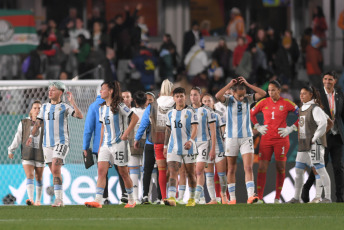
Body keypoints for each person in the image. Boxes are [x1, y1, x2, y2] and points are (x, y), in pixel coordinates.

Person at [26, 81, 83, 207]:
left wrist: (72, 102)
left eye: (53, 90)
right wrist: (31, 136)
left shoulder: (64, 107)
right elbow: (38, 123)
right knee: (54, 172)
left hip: (61, 143)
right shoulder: (45, 107)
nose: (50, 92)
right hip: (47, 145)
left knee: (56, 169)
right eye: (49, 89)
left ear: (60, 93)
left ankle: (58, 200)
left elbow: (80, 116)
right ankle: (60, 199)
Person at [85, 81, 139, 208]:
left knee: (123, 172)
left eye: (103, 89)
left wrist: (126, 134)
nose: (100, 91)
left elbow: (135, 118)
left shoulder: (120, 105)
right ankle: (98, 201)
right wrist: (99, 147)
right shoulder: (101, 108)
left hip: (119, 144)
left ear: (110, 91)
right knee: (101, 171)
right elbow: (103, 127)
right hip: (105, 145)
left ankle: (131, 200)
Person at [215, 76, 266, 204]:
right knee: (231, 168)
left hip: (246, 137)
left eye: (244, 95)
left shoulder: (248, 99)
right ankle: (232, 198)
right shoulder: (228, 100)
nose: (242, 97)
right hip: (231, 138)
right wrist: (229, 84)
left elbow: (263, 93)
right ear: (233, 93)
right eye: (240, 95)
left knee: (248, 167)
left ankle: (250, 196)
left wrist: (248, 84)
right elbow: (217, 95)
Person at [250, 80, 299, 203]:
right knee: (261, 168)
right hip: (266, 139)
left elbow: (301, 114)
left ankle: (277, 198)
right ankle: (260, 198)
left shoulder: (287, 103)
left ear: (279, 90)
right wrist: (257, 126)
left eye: (273, 90)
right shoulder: (263, 102)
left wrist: (291, 128)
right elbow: (251, 113)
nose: (270, 93)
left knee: (280, 168)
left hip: (281, 140)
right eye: (269, 90)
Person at [302, 71, 344, 203]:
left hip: (337, 136)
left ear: (335, 81)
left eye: (330, 79)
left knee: (338, 167)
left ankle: (340, 197)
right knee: (319, 165)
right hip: (323, 136)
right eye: (325, 79)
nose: (327, 82)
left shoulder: (340, 95)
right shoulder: (318, 95)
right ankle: (306, 189)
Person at [288, 86, 332, 203]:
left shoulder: (315, 108)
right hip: (303, 144)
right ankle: (296, 198)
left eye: (304, 94)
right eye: (300, 93)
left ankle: (327, 197)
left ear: (310, 95)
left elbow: (323, 123)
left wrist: (316, 137)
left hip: (315, 144)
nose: (301, 96)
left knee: (320, 169)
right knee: (298, 170)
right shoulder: (303, 108)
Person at [82, 91, 128, 205]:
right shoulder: (115, 104)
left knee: (102, 172)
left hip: (101, 145)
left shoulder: (94, 106)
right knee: (121, 170)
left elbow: (88, 129)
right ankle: (125, 194)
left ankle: (105, 198)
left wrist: (85, 147)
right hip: (117, 142)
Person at [135, 80, 174, 203]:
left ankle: (153, 196)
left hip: (154, 141)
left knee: (152, 170)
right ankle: (166, 196)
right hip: (172, 142)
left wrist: (137, 138)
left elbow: (144, 123)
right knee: (169, 170)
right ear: (172, 90)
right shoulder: (176, 104)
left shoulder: (153, 105)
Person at [163, 87, 198, 207]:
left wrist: (191, 141)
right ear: (173, 98)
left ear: (185, 97)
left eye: (181, 96)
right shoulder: (169, 113)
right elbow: (168, 130)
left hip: (188, 147)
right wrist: (165, 146)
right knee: (172, 172)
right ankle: (172, 197)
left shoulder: (191, 112)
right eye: (177, 96)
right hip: (173, 147)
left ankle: (192, 198)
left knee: (190, 174)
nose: (179, 98)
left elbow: (195, 128)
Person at [8, 101, 44, 206]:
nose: (37, 110)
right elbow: (18, 137)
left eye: (39, 108)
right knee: (29, 175)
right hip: (27, 153)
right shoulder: (24, 122)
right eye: (35, 108)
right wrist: (11, 149)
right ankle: (31, 199)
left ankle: (38, 200)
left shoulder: (44, 123)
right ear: (31, 110)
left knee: (39, 177)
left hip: (40, 153)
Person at [190, 87, 216, 204]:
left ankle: (196, 198)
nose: (193, 97)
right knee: (193, 172)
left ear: (200, 96)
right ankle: (201, 198)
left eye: (195, 95)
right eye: (191, 95)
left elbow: (213, 130)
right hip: (191, 145)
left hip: (204, 143)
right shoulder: (187, 110)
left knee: (199, 170)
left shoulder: (207, 111)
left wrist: (213, 148)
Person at [201, 93, 228, 204]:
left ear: (213, 103)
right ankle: (213, 199)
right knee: (209, 174)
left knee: (222, 175)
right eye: (205, 101)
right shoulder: (199, 115)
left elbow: (223, 131)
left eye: (209, 101)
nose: (207, 103)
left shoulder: (219, 114)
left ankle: (223, 195)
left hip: (218, 146)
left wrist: (225, 143)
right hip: (205, 147)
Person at [128, 91, 147, 204]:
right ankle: (146, 196)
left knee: (134, 170)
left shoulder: (131, 112)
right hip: (147, 142)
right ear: (145, 101)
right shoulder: (148, 112)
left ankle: (135, 198)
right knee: (147, 170)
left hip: (132, 142)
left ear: (134, 101)